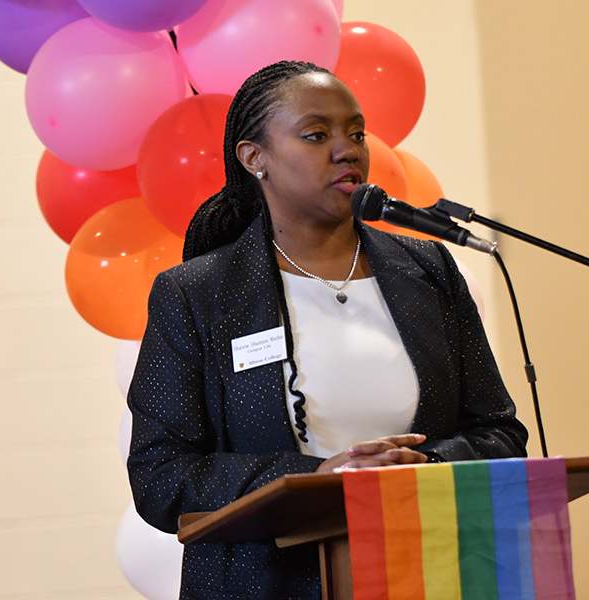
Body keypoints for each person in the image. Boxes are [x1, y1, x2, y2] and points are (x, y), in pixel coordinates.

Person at [126, 60, 528, 600]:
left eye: (356, 132)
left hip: (429, 573)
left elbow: (500, 433)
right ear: (254, 158)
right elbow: (161, 477)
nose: (348, 150)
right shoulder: (196, 295)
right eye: (317, 135)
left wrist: (424, 466)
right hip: (266, 584)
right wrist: (316, 479)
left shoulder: (430, 271)